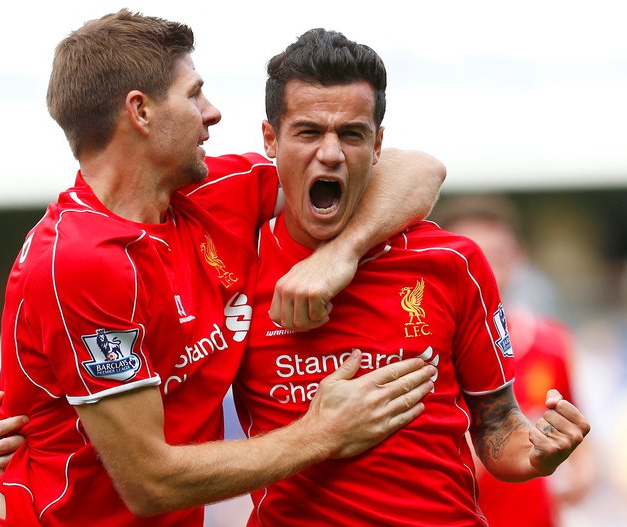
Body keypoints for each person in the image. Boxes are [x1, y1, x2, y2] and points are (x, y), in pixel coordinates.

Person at [0, 10, 444, 527]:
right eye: (193, 94)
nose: (213, 112)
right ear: (141, 111)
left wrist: (343, 252)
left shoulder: (214, 194)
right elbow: (150, 482)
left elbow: (418, 168)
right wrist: (324, 432)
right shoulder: (82, 258)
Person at [228, 29, 591, 526]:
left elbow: (498, 426)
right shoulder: (233, 265)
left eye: (352, 134)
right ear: (270, 138)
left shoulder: (451, 260)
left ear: (377, 144)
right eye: (309, 132)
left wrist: (535, 455)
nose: (331, 153)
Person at [434, 195, 595, 527]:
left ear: (519, 257)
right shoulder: (424, 353)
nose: (486, 270)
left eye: (498, 257)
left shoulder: (554, 341)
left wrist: (576, 472)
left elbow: (581, 444)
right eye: (472, 257)